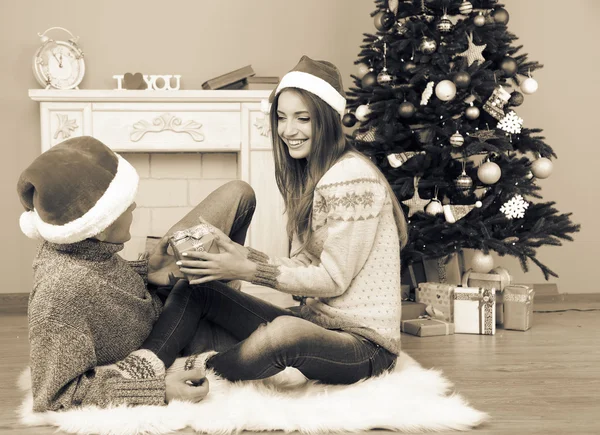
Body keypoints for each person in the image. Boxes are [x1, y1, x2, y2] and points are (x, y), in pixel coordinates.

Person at [145, 55, 408, 385]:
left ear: (326, 119)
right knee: (200, 290)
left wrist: (249, 271)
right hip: (320, 323)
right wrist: (243, 255)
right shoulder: (315, 174)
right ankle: (144, 366)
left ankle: (194, 373)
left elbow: (333, 280)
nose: (288, 130)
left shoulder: (351, 177)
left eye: (302, 118)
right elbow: (307, 262)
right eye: (281, 118)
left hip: (366, 346)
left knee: (283, 334)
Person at [17, 136, 256, 412]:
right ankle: (227, 296)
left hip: (160, 298)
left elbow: (102, 285)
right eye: (124, 204)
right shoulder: (58, 295)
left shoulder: (84, 244)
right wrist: (157, 389)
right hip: (173, 338)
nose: (134, 207)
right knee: (275, 340)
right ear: (101, 225)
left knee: (239, 193)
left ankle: (223, 287)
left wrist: (147, 269)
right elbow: (54, 396)